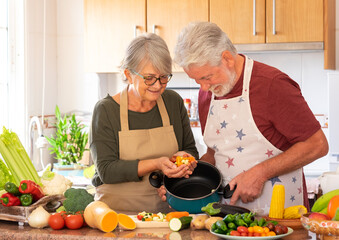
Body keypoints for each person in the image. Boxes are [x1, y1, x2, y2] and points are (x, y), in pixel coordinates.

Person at [159, 22, 329, 215]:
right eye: (197, 80)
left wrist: (260, 173)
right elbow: (215, 153)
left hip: (280, 220)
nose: (203, 87)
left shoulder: (272, 85)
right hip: (225, 220)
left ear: (227, 59)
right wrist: (182, 180)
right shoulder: (207, 94)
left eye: (207, 77)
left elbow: (318, 145)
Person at [89, 33, 199, 214]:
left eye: (164, 77)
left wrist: (185, 159)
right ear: (128, 74)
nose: (158, 85)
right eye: (149, 78)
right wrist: (158, 163)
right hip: (115, 217)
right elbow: (106, 170)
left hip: (166, 215)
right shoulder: (106, 110)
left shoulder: (173, 102)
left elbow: (191, 150)